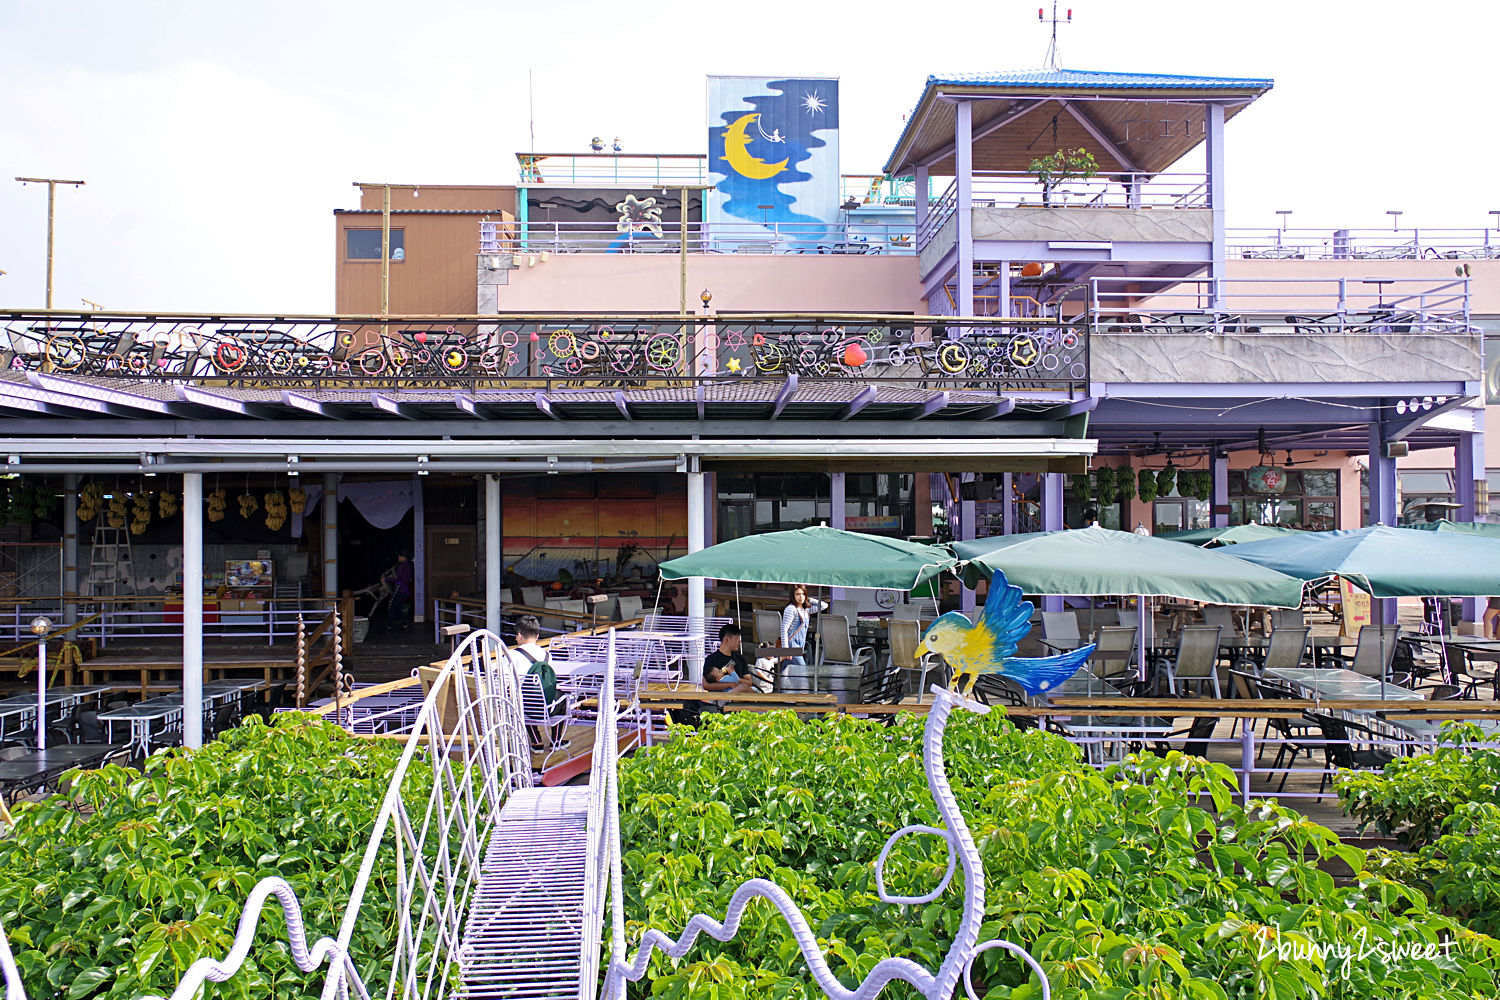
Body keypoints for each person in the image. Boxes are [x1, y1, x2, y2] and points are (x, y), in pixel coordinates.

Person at [507, 615, 566, 746]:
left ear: (520, 635)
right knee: (562, 697)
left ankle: (536, 741)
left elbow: (505, 681)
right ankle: (556, 740)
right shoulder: (547, 655)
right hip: (547, 708)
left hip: (523, 708)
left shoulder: (511, 655)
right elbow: (552, 681)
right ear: (537, 636)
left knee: (520, 696)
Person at [780, 584, 827, 668]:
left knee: (786, 670)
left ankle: (781, 681)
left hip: (800, 645)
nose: (801, 597)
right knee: (802, 670)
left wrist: (808, 599)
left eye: (803, 594)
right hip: (791, 645)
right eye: (798, 594)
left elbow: (824, 605)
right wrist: (785, 649)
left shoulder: (805, 610)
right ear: (793, 596)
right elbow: (784, 629)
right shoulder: (791, 609)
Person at [703, 623, 757, 694]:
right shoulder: (711, 659)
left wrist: (737, 679)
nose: (739, 641)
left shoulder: (740, 658)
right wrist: (730, 685)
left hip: (742, 697)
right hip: (720, 698)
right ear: (727, 640)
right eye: (737, 638)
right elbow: (706, 685)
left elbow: (749, 682)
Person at [385, 552, 414, 632]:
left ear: (404, 557)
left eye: (400, 556)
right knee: (399, 607)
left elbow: (399, 579)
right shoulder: (408, 566)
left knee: (392, 607)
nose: (398, 557)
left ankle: (389, 626)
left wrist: (387, 579)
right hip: (404, 589)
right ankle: (405, 624)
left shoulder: (402, 566)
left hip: (400, 589)